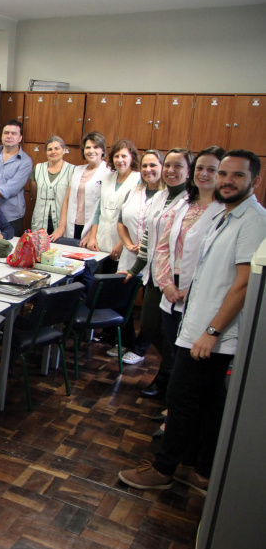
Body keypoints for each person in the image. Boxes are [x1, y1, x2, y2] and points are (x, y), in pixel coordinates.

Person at [118, 150, 266, 493]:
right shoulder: (226, 215)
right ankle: (197, 469)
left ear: (255, 181)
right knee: (207, 403)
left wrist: (212, 331)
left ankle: (164, 469)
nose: (227, 181)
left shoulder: (253, 220)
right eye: (223, 174)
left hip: (212, 331)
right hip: (197, 322)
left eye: (237, 175)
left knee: (183, 399)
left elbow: (244, 283)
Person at [122, 148, 194, 398]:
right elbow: (148, 238)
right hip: (154, 276)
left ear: (189, 171)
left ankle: (168, 376)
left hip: (175, 280)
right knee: (151, 326)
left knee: (171, 332)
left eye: (178, 166)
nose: (172, 171)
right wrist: (135, 269)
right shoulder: (159, 197)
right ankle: (173, 372)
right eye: (169, 166)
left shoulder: (191, 200)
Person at [153, 146, 225, 385]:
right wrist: (165, 284)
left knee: (192, 360)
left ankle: (179, 413)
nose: (204, 174)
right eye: (200, 168)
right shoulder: (185, 203)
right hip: (172, 291)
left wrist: (189, 289)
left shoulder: (225, 211)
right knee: (175, 352)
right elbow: (163, 246)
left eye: (212, 169)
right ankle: (173, 407)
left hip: (199, 295)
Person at [110, 150, 165, 365]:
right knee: (122, 302)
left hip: (154, 259)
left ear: (162, 167)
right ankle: (125, 342)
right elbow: (121, 221)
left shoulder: (168, 196)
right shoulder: (134, 191)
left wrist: (146, 245)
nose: (148, 170)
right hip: (130, 254)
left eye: (153, 165)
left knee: (150, 311)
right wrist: (127, 243)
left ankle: (141, 348)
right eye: (145, 166)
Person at [83, 139, 140, 259]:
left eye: (124, 156)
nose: (120, 160)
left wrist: (122, 243)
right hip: (101, 241)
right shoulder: (107, 178)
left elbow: (136, 217)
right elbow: (98, 211)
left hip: (124, 244)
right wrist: (93, 237)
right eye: (116, 156)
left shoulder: (138, 180)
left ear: (132, 158)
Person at [59, 131, 110, 245]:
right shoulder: (78, 170)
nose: (91, 151)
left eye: (96, 147)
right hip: (73, 224)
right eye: (88, 147)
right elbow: (67, 200)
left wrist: (92, 234)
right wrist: (61, 227)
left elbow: (105, 209)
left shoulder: (108, 173)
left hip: (94, 229)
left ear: (102, 150)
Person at [30, 135, 75, 241]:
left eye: (57, 148)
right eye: (50, 149)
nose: (53, 152)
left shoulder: (72, 170)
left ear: (64, 150)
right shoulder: (38, 168)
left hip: (61, 221)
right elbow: (34, 193)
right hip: (40, 218)